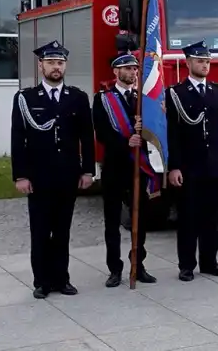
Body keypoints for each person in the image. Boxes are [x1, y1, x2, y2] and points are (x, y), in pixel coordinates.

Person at [11, 41, 94, 299]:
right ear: (41, 66)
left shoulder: (78, 98)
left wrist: (87, 171)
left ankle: (62, 278)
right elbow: (18, 138)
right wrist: (21, 175)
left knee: (62, 230)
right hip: (38, 177)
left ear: (65, 66)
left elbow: (86, 138)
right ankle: (42, 282)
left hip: (67, 175)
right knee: (40, 230)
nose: (56, 67)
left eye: (60, 63)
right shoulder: (25, 98)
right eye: (50, 63)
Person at [166, 41, 218, 281]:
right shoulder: (176, 93)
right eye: (200, 61)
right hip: (189, 166)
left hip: (215, 164)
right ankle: (186, 264)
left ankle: (210, 262)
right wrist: (173, 166)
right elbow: (173, 134)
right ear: (188, 63)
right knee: (188, 218)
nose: (205, 65)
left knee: (210, 217)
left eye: (207, 61)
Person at [93, 52, 156, 288]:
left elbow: (155, 131)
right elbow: (101, 133)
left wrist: (145, 129)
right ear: (116, 72)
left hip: (138, 167)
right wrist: (125, 141)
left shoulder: (142, 99)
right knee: (112, 221)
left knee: (140, 219)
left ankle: (137, 265)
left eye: (135, 69)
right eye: (128, 69)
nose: (132, 73)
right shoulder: (103, 100)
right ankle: (115, 269)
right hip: (115, 167)